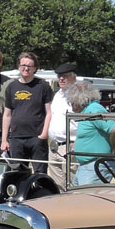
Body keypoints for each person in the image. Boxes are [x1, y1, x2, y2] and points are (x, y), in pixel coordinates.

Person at [1, 52, 52, 172]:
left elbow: (49, 112)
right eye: (23, 65)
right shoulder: (11, 87)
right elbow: (7, 114)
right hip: (16, 138)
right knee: (18, 175)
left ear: (35, 68)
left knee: (40, 174)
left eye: (29, 66)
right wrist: (4, 139)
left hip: (37, 138)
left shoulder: (43, 86)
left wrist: (43, 135)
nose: (26, 68)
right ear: (19, 66)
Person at [68, 81, 115, 186]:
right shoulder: (86, 112)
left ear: (79, 100)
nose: (71, 105)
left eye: (72, 101)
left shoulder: (94, 109)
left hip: (96, 165)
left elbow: (114, 128)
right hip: (86, 166)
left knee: (87, 199)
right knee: (77, 197)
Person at [42, 62, 78, 190]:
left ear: (73, 77)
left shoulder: (78, 95)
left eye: (65, 76)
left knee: (72, 184)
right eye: (59, 76)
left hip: (70, 145)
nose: (61, 79)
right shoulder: (57, 95)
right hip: (54, 146)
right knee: (57, 186)